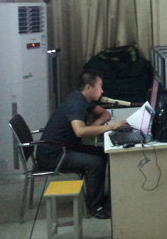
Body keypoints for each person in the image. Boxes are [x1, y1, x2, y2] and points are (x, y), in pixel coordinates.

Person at [36, 70, 128, 219]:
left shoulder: (84, 99)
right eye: (99, 86)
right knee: (95, 163)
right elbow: (80, 132)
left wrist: (94, 126)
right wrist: (110, 127)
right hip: (53, 154)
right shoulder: (76, 103)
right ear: (88, 87)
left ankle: (97, 195)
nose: (102, 91)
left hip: (66, 146)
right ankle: (94, 206)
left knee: (102, 153)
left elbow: (106, 114)